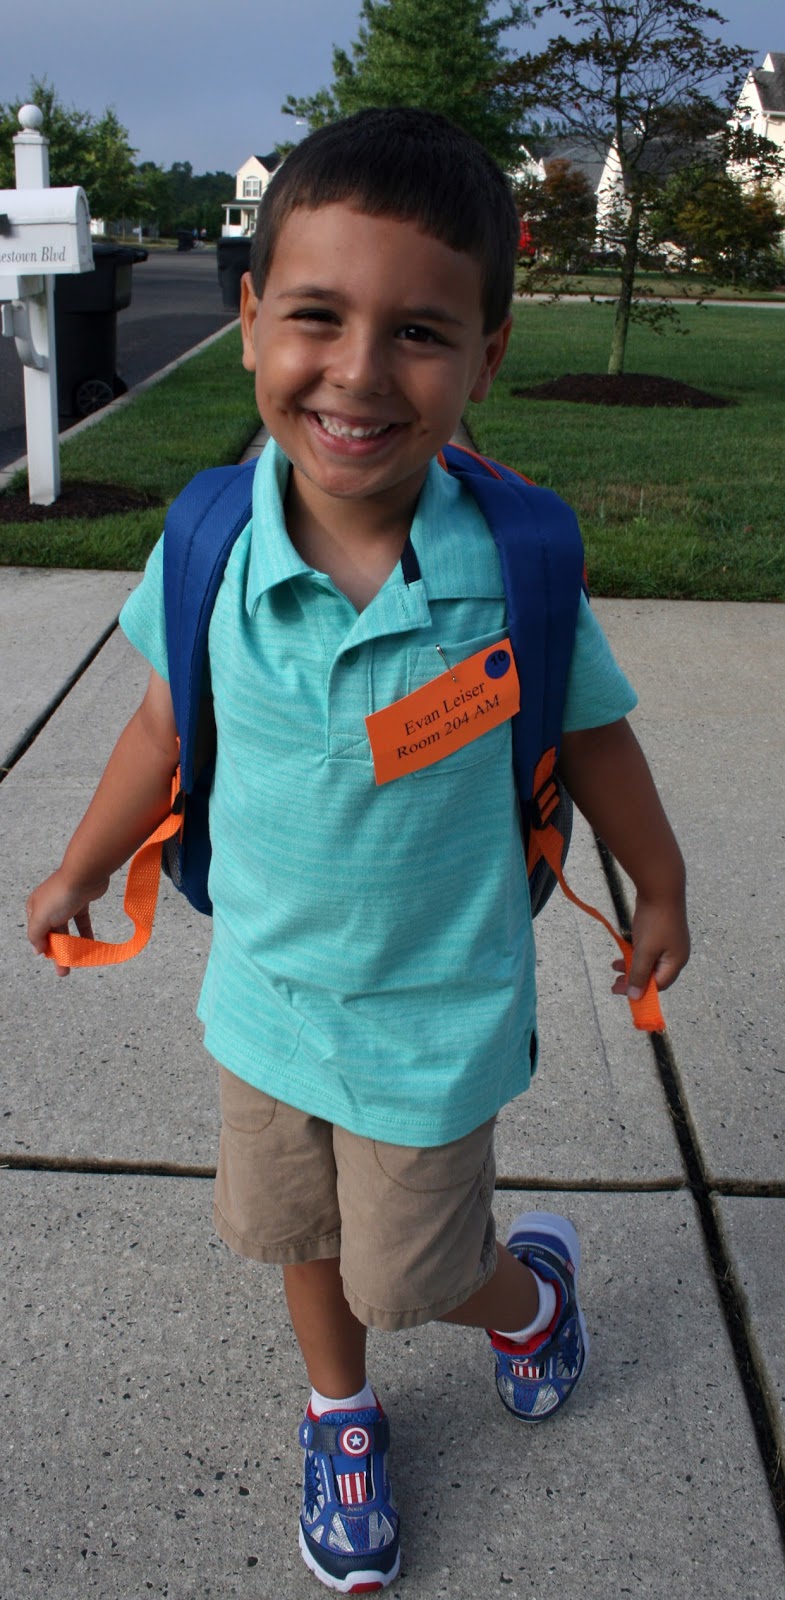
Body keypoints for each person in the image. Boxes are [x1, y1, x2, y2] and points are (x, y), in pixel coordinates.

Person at [27, 107, 690, 1594]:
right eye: (317, 316)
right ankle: (338, 1413)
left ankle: (521, 1299)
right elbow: (152, 733)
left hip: (430, 1018)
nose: (357, 374)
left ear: (486, 358)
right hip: (264, 999)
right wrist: (80, 864)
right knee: (296, 1235)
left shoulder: (511, 563)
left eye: (419, 333)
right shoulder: (207, 543)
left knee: (417, 1270)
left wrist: (658, 880)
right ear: (254, 317)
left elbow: (593, 742)